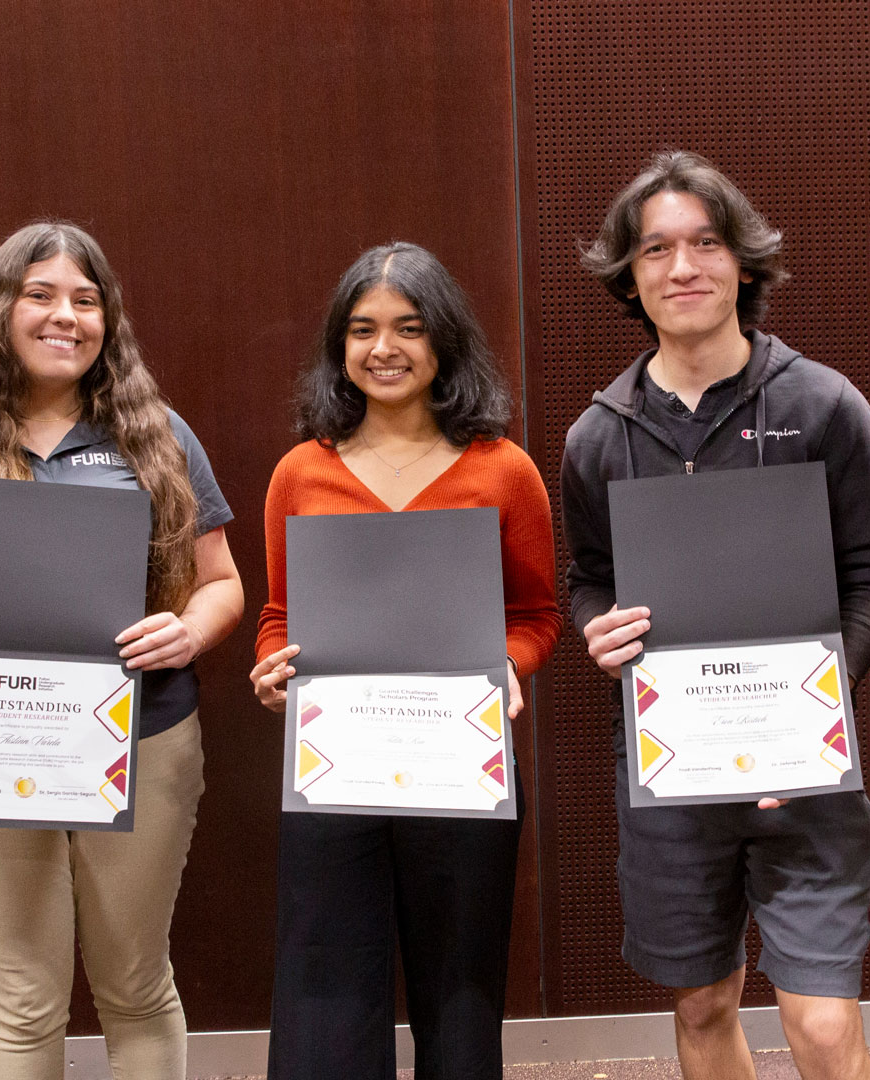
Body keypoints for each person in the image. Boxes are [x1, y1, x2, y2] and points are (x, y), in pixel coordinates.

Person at [0, 222, 243, 1080]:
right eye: (40, 294)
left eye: (85, 299)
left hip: (144, 738)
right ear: (1, 309)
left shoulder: (159, 434)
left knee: (136, 984)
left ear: (109, 321)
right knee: (24, 991)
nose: (64, 315)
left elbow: (222, 584)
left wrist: (190, 629)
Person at [561, 151, 870, 1080]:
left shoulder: (824, 405)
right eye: (657, 249)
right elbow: (586, 576)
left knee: (823, 1024)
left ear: (743, 263)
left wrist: (817, 701)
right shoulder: (599, 434)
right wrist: (597, 627)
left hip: (807, 773)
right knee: (704, 1003)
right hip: (673, 771)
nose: (684, 268)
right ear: (630, 276)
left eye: (706, 243)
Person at [248, 242, 560, 1079]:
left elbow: (537, 615)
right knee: (325, 996)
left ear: (444, 342)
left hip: (459, 762)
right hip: (334, 767)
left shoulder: (503, 470)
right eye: (362, 330)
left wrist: (505, 666)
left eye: (408, 328)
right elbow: (278, 617)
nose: (383, 348)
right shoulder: (299, 473)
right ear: (338, 347)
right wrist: (273, 667)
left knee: (459, 996)